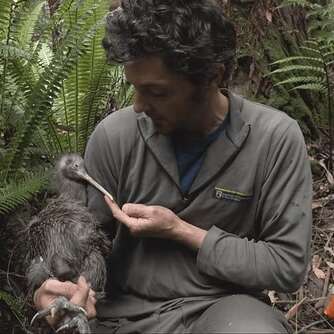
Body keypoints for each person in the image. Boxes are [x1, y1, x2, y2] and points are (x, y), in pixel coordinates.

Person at [33, 0, 312, 333]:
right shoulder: (114, 136)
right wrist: (52, 288)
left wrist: (181, 231)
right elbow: (75, 245)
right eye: (135, 89)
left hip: (223, 310)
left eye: (156, 92)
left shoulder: (274, 139)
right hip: (121, 315)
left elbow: (287, 266)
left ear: (213, 76)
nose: (138, 106)